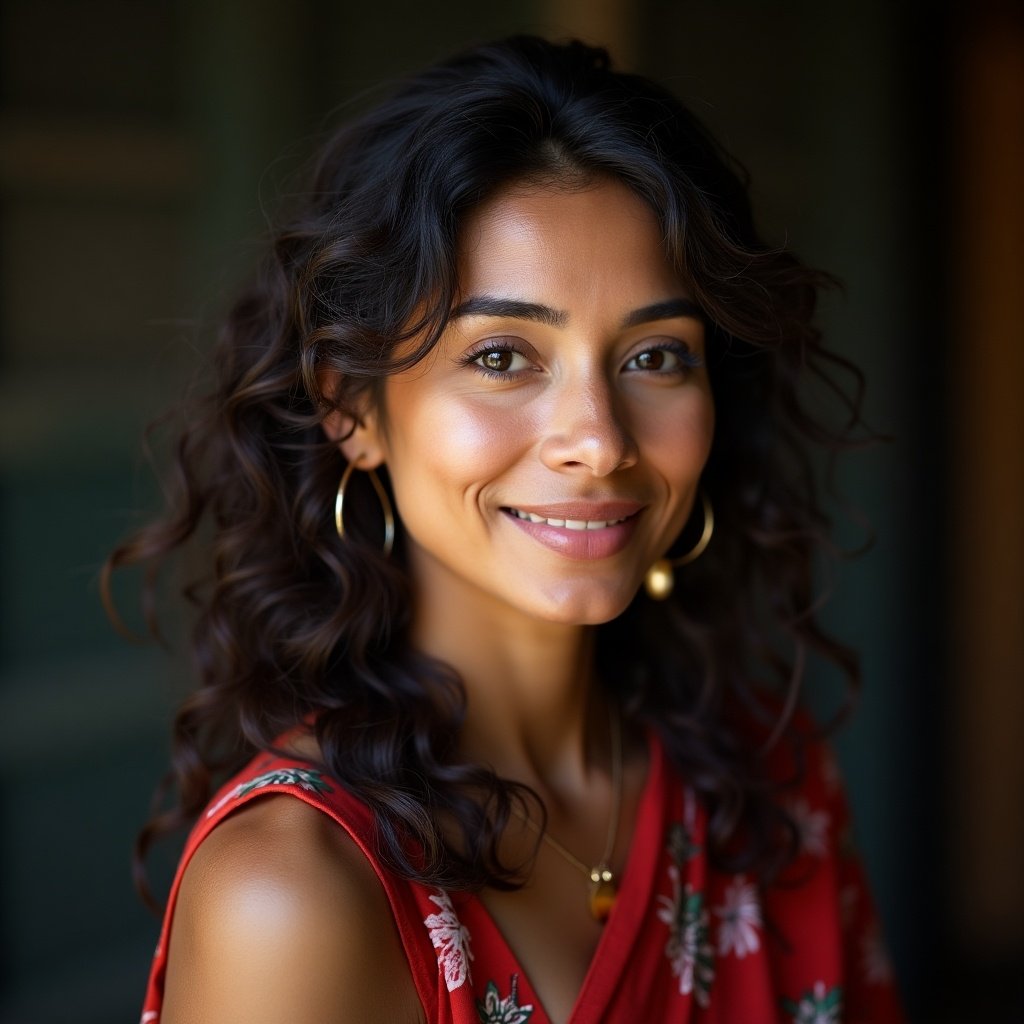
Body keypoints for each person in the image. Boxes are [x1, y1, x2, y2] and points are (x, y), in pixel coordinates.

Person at [112, 35, 904, 1024]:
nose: (598, 441)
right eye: (501, 356)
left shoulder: (771, 789)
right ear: (351, 407)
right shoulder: (295, 892)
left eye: (655, 355)